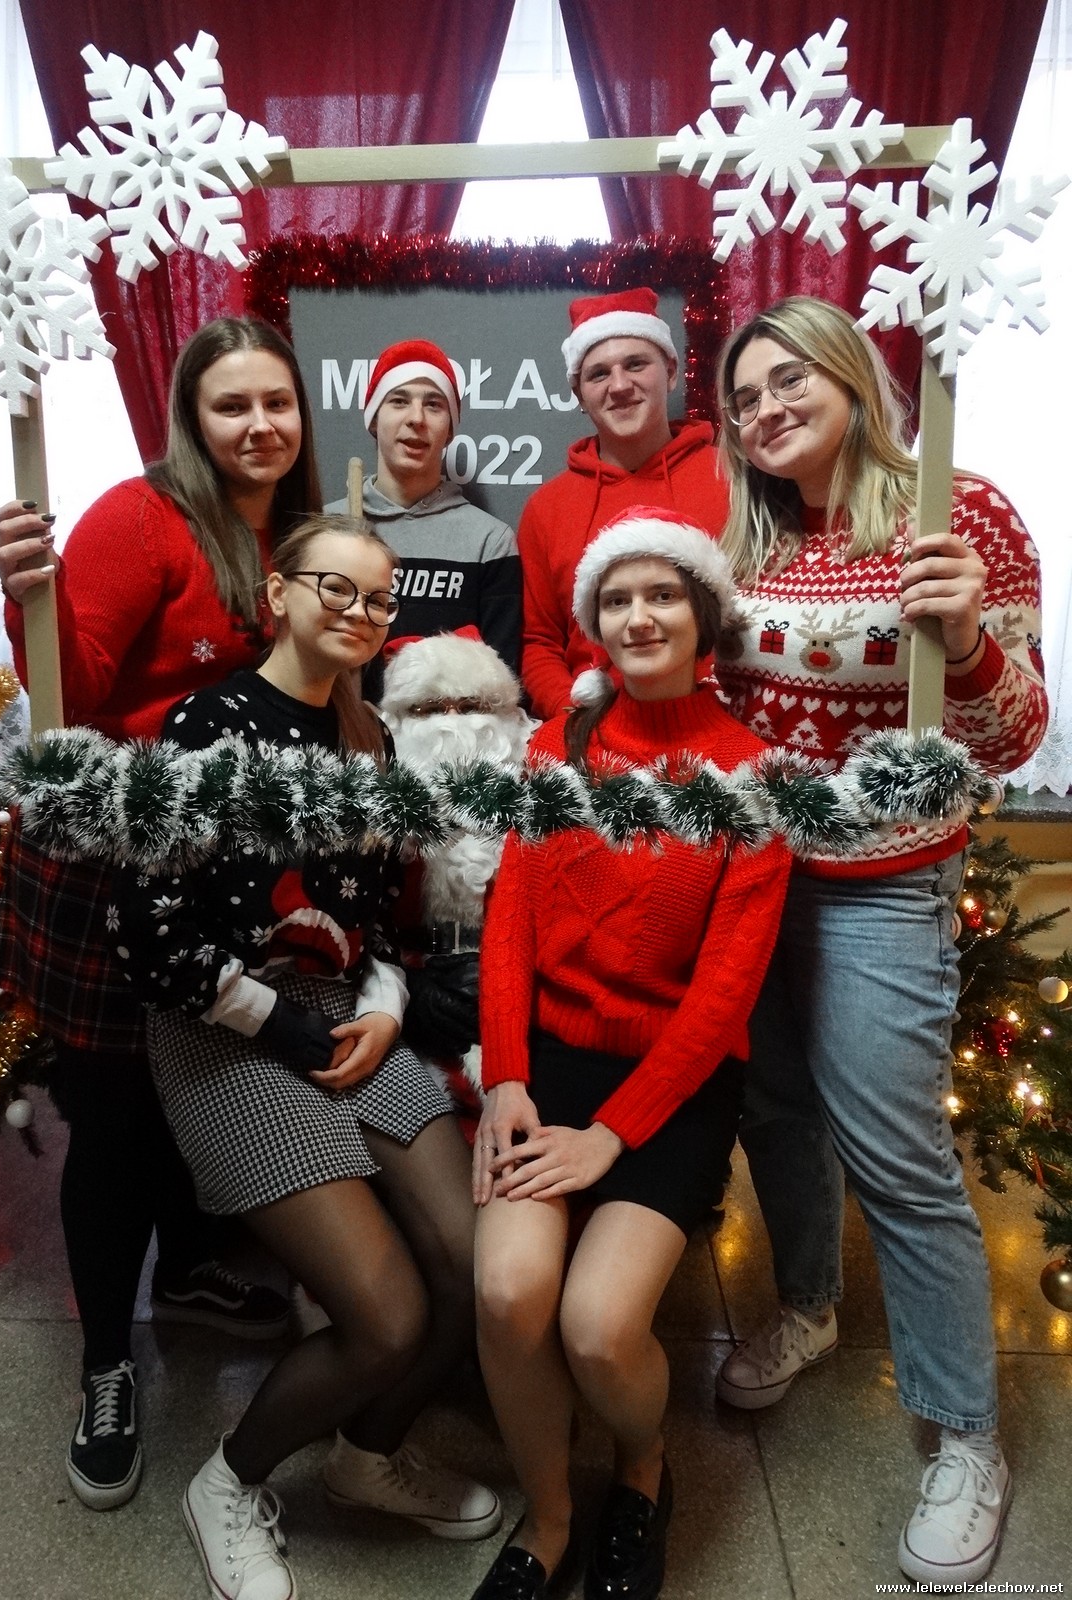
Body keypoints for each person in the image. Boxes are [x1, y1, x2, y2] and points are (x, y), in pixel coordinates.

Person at [709, 296, 1047, 1587]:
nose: (766, 410)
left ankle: (965, 1433)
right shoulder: (745, 538)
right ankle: (806, 1304)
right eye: (745, 397)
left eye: (789, 380)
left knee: (898, 1156)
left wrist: (964, 639)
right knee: (776, 1112)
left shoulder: (960, 516)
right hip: (752, 881)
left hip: (883, 884)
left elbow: (1015, 732)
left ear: (852, 376)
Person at [114, 514, 501, 1600]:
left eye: (378, 600)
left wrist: (384, 1008)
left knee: (476, 1269)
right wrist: (278, 1025)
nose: (360, 612)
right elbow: (150, 933)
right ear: (277, 594)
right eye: (337, 588)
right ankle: (230, 1481)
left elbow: (375, 919)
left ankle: (366, 1457)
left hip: (341, 1009)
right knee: (388, 1318)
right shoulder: (206, 725)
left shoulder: (368, 736)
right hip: (219, 1025)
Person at [0, 317, 320, 1511]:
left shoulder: (295, 530)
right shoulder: (139, 518)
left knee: (196, 1076)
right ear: (191, 416)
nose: (259, 425)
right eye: (232, 405)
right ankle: (106, 1365)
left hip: (222, 865)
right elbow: (69, 686)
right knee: (120, 1118)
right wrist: (27, 596)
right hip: (110, 862)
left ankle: (187, 1272)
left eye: (276, 402)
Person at [470, 510, 791, 1600]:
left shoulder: (751, 775)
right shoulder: (555, 746)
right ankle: (549, 1518)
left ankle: (643, 1471)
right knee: (509, 1290)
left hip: (674, 1084)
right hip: (544, 1064)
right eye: (617, 599)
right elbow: (509, 922)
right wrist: (505, 1076)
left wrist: (613, 1135)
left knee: (601, 1328)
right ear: (593, 621)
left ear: (703, 618)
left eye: (663, 595)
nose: (639, 616)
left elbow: (725, 995)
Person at [516, 288, 730, 719]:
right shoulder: (546, 508)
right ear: (579, 394)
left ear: (671, 372)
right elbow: (540, 644)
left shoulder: (733, 479)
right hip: (592, 733)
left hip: (720, 726)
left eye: (636, 364)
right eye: (598, 374)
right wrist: (575, 723)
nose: (619, 386)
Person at [378, 628, 537, 1135]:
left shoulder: (541, 782)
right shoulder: (375, 790)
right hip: (407, 995)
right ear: (397, 719)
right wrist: (410, 991)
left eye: (471, 706)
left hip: (521, 993)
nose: (451, 723)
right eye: (427, 709)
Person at [324, 338, 522, 689]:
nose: (416, 418)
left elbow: (502, 682)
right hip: (342, 722)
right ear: (373, 419)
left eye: (433, 405)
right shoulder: (326, 529)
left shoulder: (490, 541)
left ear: (450, 429)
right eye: (399, 401)